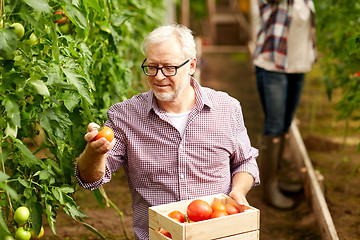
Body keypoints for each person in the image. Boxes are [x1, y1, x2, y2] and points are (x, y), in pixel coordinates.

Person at [75, 24, 260, 240]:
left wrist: (238, 191)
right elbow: (90, 179)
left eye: (169, 68)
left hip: (218, 233)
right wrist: (94, 152)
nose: (159, 76)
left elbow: (245, 162)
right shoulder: (125, 116)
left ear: (191, 65)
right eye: (151, 67)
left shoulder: (227, 108)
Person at [252, 0, 316, 209]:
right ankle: (268, 188)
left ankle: (276, 180)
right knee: (275, 125)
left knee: (286, 124)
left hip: (298, 66)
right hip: (273, 66)